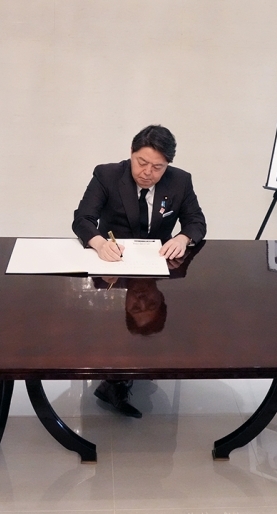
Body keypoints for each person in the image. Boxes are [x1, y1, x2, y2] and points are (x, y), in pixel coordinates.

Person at [73, 124, 207, 417]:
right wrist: (97, 241)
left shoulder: (180, 182)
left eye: (157, 167)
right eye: (141, 162)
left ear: (167, 165)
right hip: (113, 269)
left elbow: (197, 222)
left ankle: (141, 362)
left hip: (154, 267)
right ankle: (114, 378)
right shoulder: (107, 175)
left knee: (156, 324)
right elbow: (82, 218)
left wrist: (183, 237)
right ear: (131, 154)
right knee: (115, 329)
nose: (147, 172)